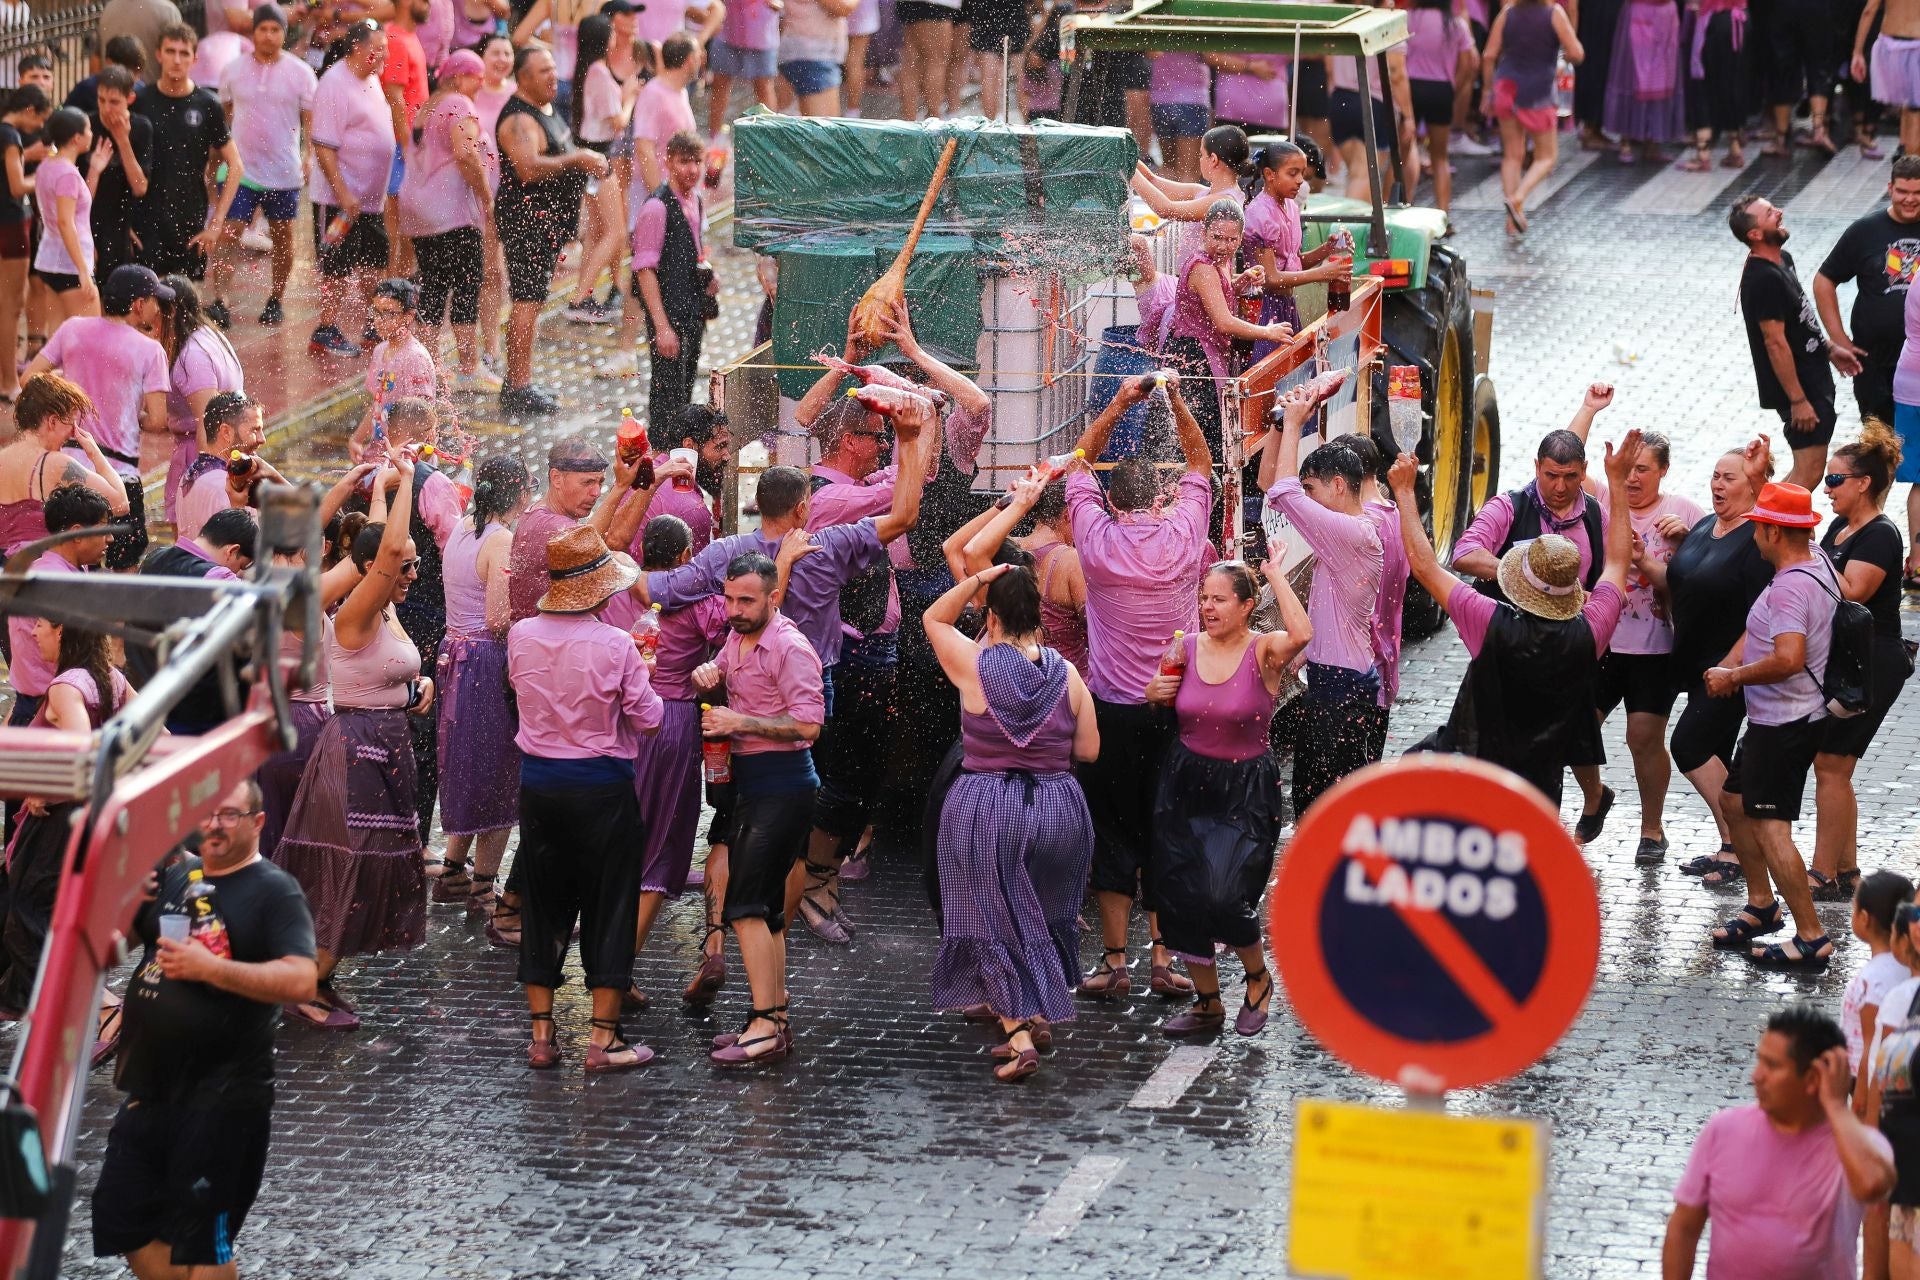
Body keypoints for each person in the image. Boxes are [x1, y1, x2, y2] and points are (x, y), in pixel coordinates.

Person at [88, 780, 318, 1280]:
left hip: (222, 1100)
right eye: (208, 811)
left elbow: (302, 978)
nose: (215, 823)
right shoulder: (178, 874)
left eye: (230, 815)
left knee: (201, 1244)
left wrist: (212, 970)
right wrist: (115, 904)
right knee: (121, 1218)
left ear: (258, 822)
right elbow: (113, 946)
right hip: (149, 1091)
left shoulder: (274, 890)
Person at [1388, 431, 1639, 808]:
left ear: (1519, 581)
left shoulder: (1489, 620)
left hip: (1475, 776)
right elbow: (1619, 563)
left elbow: (1424, 566)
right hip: (1538, 791)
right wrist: (1618, 484)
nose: (1560, 487)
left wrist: (1406, 493)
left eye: (1570, 478)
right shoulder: (1591, 630)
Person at [1064, 373, 1212, 1003]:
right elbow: (1202, 461)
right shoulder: (1185, 538)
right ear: (1158, 498)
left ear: (1112, 504)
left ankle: (1115, 962)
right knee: (1166, 834)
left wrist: (1120, 403)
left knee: (1113, 832)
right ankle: (1164, 960)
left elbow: (1076, 462)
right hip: (1175, 713)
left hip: (1109, 717)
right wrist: (1176, 400)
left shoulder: (1094, 544)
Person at [272, 457, 436, 1026]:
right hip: (358, 748)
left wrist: (422, 684)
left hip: (387, 744)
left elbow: (378, 543)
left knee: (366, 867)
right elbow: (385, 552)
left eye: (416, 567)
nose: (411, 575)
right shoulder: (357, 609)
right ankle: (304, 982)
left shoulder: (385, 607)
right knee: (352, 865)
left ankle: (321, 975)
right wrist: (408, 481)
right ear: (371, 570)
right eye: (406, 568)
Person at [920, 560, 1097, 1081]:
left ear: (991, 617)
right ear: (1037, 615)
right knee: (1038, 915)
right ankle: (1038, 1011)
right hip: (1060, 808)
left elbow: (933, 618)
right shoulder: (1066, 673)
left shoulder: (973, 663)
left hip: (987, 806)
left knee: (986, 917)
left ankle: (1019, 1035)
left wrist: (976, 579)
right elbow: (1089, 748)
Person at [507, 524, 663, 1072]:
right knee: (609, 905)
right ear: (600, 589)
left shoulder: (521, 634)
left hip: (540, 788)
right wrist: (644, 674)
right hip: (602, 789)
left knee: (544, 903)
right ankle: (603, 1039)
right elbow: (648, 720)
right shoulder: (616, 644)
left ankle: (543, 1038)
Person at [1143, 559, 1307, 1039]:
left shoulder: (1264, 651)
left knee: (1226, 895)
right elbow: (1162, 698)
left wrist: (1275, 573)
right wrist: (1154, 693)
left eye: (1219, 599)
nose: (1207, 607)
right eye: (1203, 598)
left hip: (1245, 789)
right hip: (1185, 781)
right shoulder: (1185, 647)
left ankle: (1257, 978)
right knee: (1182, 896)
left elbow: (1302, 633)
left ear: (1246, 606)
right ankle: (1208, 1003)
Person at [687, 552, 824, 1068]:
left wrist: (738, 721)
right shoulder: (736, 637)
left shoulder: (789, 647)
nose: (735, 609)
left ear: (772, 597)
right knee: (764, 912)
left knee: (743, 908)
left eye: (746, 600)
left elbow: (809, 726)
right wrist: (709, 677)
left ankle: (767, 1023)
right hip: (752, 786)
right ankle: (772, 1019)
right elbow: (724, 683)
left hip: (783, 788)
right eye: (729, 598)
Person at [1703, 482, 1844, 972]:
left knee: (1770, 826)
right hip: (1778, 718)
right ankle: (1762, 905)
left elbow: (1788, 657)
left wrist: (1733, 677)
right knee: (1734, 802)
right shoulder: (1817, 561)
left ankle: (1812, 936)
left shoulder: (1788, 585)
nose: (1752, 533)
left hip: (1785, 723)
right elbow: (1768, 632)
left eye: (1758, 525)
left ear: (1772, 531)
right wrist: (1731, 661)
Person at [1662, 1006, 1895, 1278]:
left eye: (1772, 1066)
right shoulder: (1723, 1130)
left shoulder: (1859, 1146)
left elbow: (1873, 1184)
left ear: (1813, 1078)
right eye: (1760, 1061)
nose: (1757, 1076)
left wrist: (1836, 1106)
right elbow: (1684, 1227)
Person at [605, 515, 729, 1003]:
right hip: (673, 724)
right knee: (663, 844)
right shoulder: (699, 601)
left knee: (623, 840)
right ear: (683, 560)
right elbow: (744, 628)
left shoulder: (619, 593)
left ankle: (615, 966)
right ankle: (615, 972)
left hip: (623, 721)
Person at [1570, 430, 1703, 864]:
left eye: (1643, 469)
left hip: (1654, 649)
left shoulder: (1683, 512)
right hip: (1601, 640)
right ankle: (1595, 796)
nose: (1632, 478)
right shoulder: (1602, 502)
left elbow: (1712, 569)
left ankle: (1652, 829)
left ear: (1664, 471)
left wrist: (1687, 543)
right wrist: (1589, 410)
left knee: (1642, 737)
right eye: (1627, 468)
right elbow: (1567, 451)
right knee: (1575, 729)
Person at [1261, 384, 1386, 818]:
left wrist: (1294, 421)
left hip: (1341, 688)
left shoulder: (1348, 532)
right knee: (1328, 804)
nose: (1308, 497)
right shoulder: (1358, 523)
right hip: (1345, 678)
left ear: (1337, 485)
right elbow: (1273, 485)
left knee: (1319, 809)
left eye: (1313, 488)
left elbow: (1281, 493)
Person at [1669, 441, 1780, 884]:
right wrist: (1643, 558)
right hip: (1695, 664)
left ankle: (1739, 844)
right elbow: (1683, 581)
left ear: (1754, 485)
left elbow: (1762, 615)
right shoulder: (1704, 527)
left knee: (1689, 745)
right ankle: (1729, 849)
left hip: (1729, 668)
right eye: (1715, 475)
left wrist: (1733, 669)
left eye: (1729, 477)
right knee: (1714, 751)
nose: (1717, 483)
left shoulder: (1756, 538)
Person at [1810, 423, 1911, 899]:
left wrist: (1806, 560)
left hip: (1874, 661)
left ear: (1863, 483)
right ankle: (1847, 871)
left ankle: (1821, 870)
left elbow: (1853, 593)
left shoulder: (1880, 535)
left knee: (1831, 763)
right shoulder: (1839, 527)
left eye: (1834, 480)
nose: (1826, 489)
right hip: (1850, 659)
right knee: (1834, 763)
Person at [25, 264, 172, 570]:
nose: (158, 309)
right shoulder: (150, 350)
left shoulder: (72, 329)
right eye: (155, 301)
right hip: (118, 478)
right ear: (138, 304)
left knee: (68, 561)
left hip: (68, 469)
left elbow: (30, 378)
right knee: (124, 566)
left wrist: (67, 400)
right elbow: (158, 420)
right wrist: (134, 416)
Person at [433, 456, 529, 914]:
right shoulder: (502, 540)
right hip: (486, 664)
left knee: (466, 764)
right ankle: (482, 887)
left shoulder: (460, 528)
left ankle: (454, 870)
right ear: (519, 495)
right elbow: (497, 620)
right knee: (497, 773)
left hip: (454, 657)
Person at [495, 45, 605, 415]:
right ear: (522, 77)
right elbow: (527, 168)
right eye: (542, 71)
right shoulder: (518, 120)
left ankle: (522, 380)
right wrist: (579, 158)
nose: (551, 76)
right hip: (525, 223)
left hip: (545, 227)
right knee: (526, 302)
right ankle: (517, 385)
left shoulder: (547, 109)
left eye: (553, 68)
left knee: (535, 301)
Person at [1733, 196, 1858, 491]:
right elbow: (1774, 343)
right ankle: (1761, 531)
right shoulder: (1763, 278)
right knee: (1808, 473)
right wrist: (1797, 400)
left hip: (1813, 380)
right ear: (1755, 234)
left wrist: (1828, 349)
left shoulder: (1782, 261)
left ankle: (1767, 527)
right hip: (1800, 390)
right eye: (1769, 213)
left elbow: (1800, 320)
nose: (1779, 212)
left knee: (1807, 472)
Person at [1158, 199, 1293, 456]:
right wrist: (1267, 332)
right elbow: (1224, 322)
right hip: (1192, 357)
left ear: (1240, 238)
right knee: (1196, 439)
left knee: (1201, 435)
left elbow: (1217, 292)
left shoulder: (1221, 260)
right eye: (1217, 237)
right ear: (1204, 232)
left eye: (1231, 240)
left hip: (1204, 353)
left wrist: (1240, 281)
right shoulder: (1203, 267)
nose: (1223, 246)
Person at [212, 4, 316, 327]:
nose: (268, 36)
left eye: (275, 30)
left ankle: (276, 298)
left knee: (283, 236)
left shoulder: (301, 73)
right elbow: (224, 116)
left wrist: (309, 155)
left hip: (283, 171)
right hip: (242, 170)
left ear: (284, 33)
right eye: (262, 29)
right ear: (253, 32)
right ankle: (220, 300)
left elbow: (310, 120)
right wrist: (215, 159)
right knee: (230, 232)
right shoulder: (232, 69)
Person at [307, 20, 396, 359]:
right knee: (336, 266)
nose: (385, 53)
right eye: (379, 47)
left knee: (375, 261)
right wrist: (343, 191)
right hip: (339, 199)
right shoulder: (334, 83)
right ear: (357, 48)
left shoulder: (372, 78)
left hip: (370, 199)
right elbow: (323, 144)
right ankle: (325, 328)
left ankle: (374, 325)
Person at [1816, 158, 1920, 432]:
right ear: (1890, 188)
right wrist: (1839, 339)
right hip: (1874, 360)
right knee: (1878, 444)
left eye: (1918, 193)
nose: (1910, 199)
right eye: (1903, 191)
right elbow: (1824, 280)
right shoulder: (1864, 231)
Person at [1, 485, 112, 736]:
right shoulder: (58, 582)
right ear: (76, 534)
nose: (110, 539)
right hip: (50, 708)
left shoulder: (57, 569)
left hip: (38, 701)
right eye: (104, 529)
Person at [134, 25, 242, 284]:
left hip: (189, 218)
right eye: (170, 51)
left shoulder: (207, 104)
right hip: (146, 219)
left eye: (184, 53)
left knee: (185, 302)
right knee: (147, 301)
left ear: (194, 59)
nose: (177, 59)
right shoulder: (141, 101)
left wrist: (215, 225)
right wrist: (124, 220)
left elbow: (236, 166)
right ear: (158, 55)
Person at [0, 373, 127, 572]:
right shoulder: (54, 464)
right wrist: (95, 453)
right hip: (43, 578)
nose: (72, 435)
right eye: (72, 425)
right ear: (52, 421)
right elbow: (120, 504)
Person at [631, 130, 715, 429]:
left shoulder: (696, 200)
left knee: (684, 388)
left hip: (690, 309)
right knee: (666, 395)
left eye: (697, 161)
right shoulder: (656, 207)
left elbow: (690, 247)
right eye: (683, 161)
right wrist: (662, 326)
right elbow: (644, 270)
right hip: (668, 312)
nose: (691, 169)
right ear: (668, 162)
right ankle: (662, 455)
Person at [563, 4, 641, 327]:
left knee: (595, 232)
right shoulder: (599, 73)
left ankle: (586, 297)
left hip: (591, 155)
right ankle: (580, 298)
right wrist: (631, 94)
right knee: (615, 231)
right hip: (599, 159)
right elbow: (619, 122)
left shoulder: (587, 70)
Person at [1481, 0, 1583, 233]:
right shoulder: (1554, 13)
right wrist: (1561, 60)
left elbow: (1488, 55)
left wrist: (1487, 91)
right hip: (1539, 93)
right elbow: (1576, 52)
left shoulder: (1508, 12)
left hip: (1506, 88)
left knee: (1512, 156)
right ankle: (1518, 198)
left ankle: (1511, 221)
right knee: (1547, 157)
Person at [159, 277, 244, 526]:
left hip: (202, 456)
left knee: (194, 542)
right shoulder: (208, 334)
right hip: (228, 454)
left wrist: (202, 481)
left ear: (171, 311)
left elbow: (207, 425)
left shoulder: (192, 356)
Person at [1327, 0, 1418, 201]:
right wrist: (1409, 116)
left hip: (1340, 100)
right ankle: (1349, 229)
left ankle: (1354, 225)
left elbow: (1329, 68)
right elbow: (1396, 74)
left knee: (1355, 173)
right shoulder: (1386, 25)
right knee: (1364, 176)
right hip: (1371, 104)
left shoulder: (1343, 21)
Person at [32, 108, 107, 324]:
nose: (91, 134)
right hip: (70, 267)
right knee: (89, 341)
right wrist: (83, 271)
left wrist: (94, 171)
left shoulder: (47, 165)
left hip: (49, 262)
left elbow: (74, 210)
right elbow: (65, 222)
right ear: (77, 138)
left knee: (58, 343)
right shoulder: (67, 173)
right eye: (89, 130)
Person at [348, 277, 436, 459]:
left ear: (408, 316)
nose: (379, 320)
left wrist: (412, 467)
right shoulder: (380, 351)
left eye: (388, 313)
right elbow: (378, 404)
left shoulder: (415, 358)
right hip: (382, 456)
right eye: (376, 312)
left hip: (408, 461)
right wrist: (357, 438)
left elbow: (425, 421)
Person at [0, 86, 49, 403]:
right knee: (11, 306)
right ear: (30, 110)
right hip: (12, 224)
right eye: (39, 120)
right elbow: (18, 185)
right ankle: (7, 381)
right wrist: (45, 175)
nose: (38, 128)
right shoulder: (10, 136)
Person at [1403, 0, 1477, 210]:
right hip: (1441, 90)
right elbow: (1468, 64)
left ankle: (1391, 210)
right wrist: (1452, 89)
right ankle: (1443, 215)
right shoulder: (1456, 24)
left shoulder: (1409, 19)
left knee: (1402, 154)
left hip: (1412, 88)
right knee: (1440, 157)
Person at [175, 391, 273, 545]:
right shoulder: (232, 487)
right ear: (226, 432)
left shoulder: (190, 474)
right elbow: (245, 556)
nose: (262, 439)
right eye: (255, 430)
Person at [84, 66, 152, 289]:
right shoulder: (87, 127)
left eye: (114, 102)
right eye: (101, 100)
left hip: (122, 227)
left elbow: (140, 187)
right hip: (90, 222)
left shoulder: (141, 128)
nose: (106, 108)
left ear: (129, 99)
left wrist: (122, 140)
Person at [1602, 0, 1684, 163]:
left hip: (1665, 16)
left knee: (1662, 79)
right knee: (1632, 75)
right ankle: (1626, 140)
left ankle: (1652, 142)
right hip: (1641, 12)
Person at [1681, 0, 1751, 169]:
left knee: (1703, 86)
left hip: (1712, 20)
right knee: (1731, 85)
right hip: (1737, 21)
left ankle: (1703, 153)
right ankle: (1735, 149)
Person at [708, 0, 780, 139]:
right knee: (720, 86)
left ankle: (771, 137)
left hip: (760, 32)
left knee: (763, 87)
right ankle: (714, 138)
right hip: (729, 30)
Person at [1859, 0, 1920, 158]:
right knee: (1915, 106)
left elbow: (1869, 10)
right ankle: (1911, 162)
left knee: (1910, 101)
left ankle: (1904, 148)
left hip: (1889, 47)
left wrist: (1857, 52)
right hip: (1916, 43)